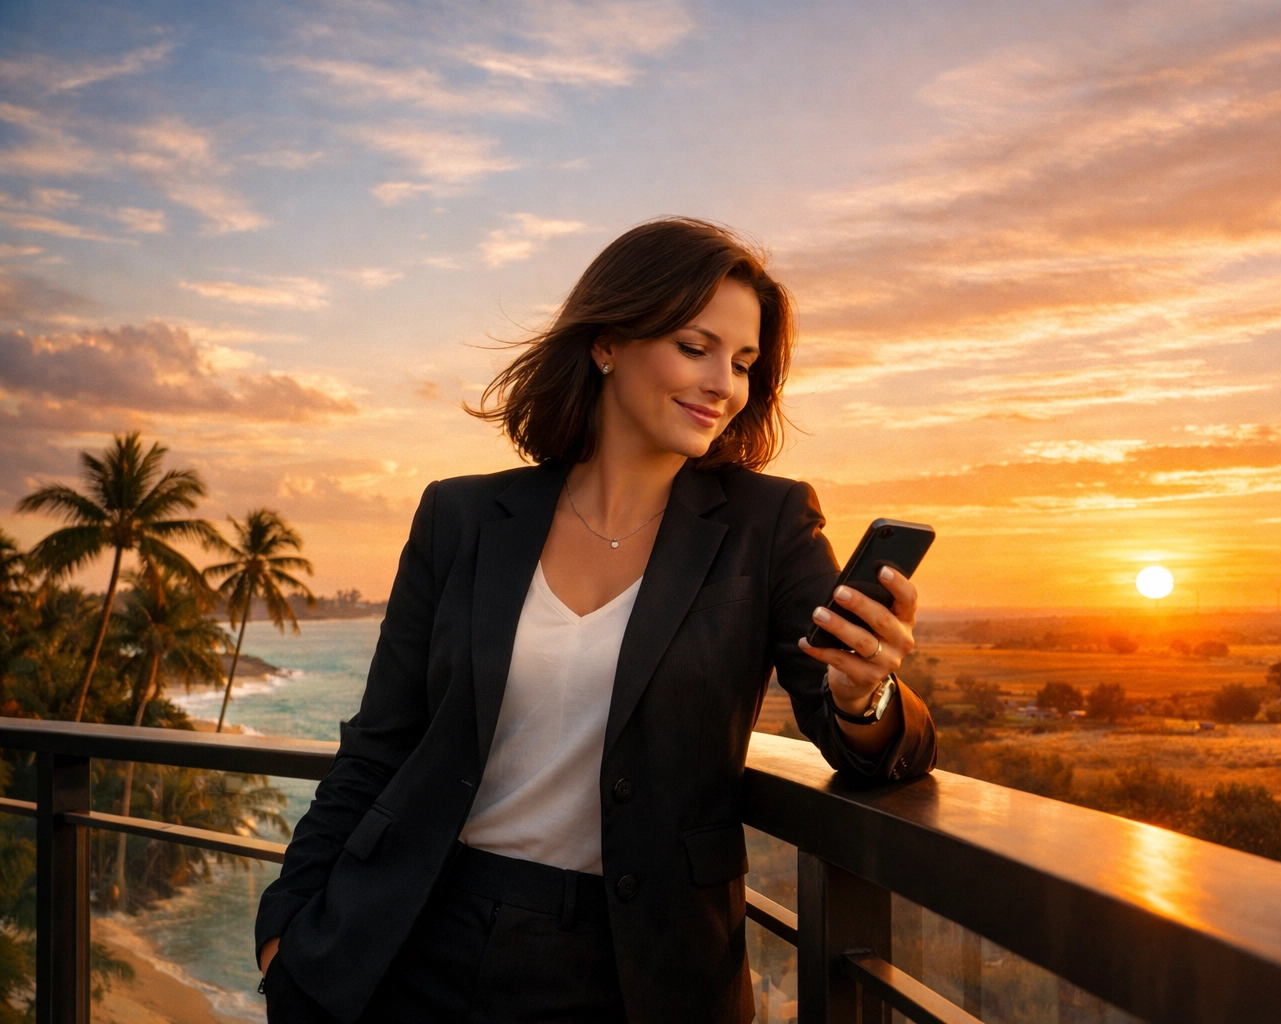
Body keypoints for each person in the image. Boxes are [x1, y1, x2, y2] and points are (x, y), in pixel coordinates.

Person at [255, 218, 937, 1023]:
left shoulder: (769, 525)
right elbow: (379, 744)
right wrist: (285, 926)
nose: (724, 382)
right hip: (416, 935)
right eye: (695, 346)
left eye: (745, 363)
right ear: (608, 342)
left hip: (642, 969)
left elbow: (866, 740)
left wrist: (864, 695)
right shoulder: (462, 516)